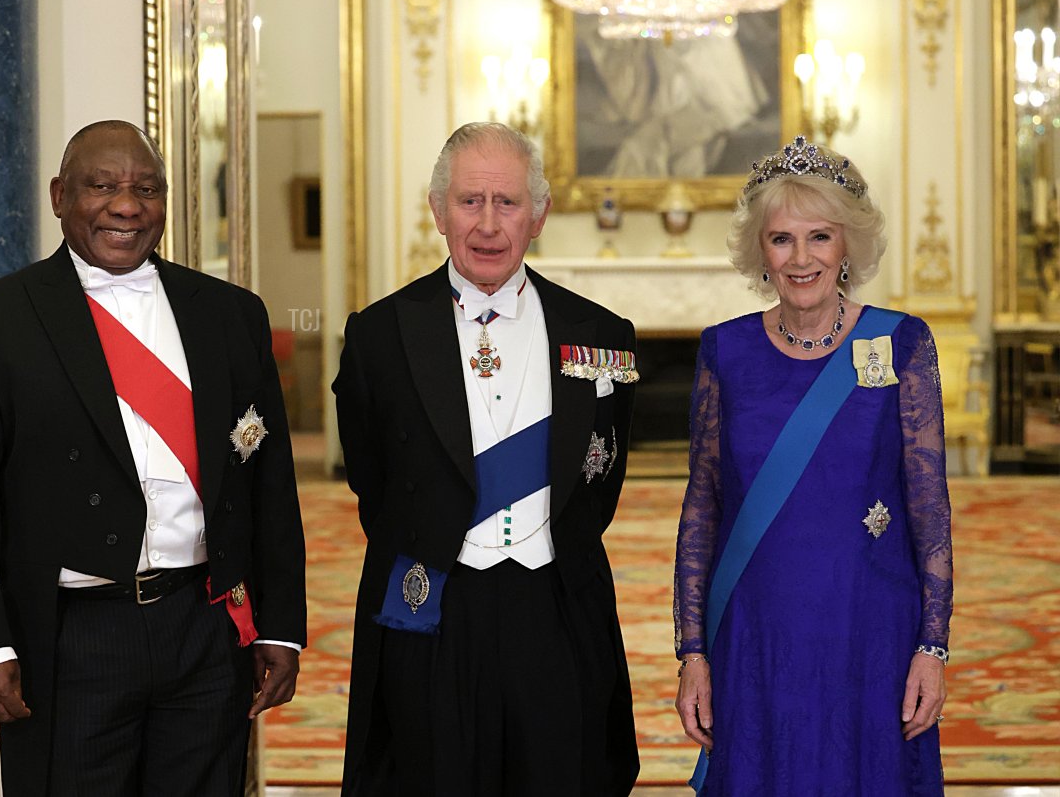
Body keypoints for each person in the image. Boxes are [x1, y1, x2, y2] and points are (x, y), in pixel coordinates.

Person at [0, 120, 307, 796]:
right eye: (102, 186)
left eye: (146, 188)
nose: (126, 205)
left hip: (205, 624)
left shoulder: (229, 313)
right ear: (59, 196)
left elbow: (268, 488)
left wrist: (280, 626)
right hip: (73, 637)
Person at [333, 122, 640, 796]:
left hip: (554, 603)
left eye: (508, 202)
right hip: (434, 606)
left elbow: (600, 480)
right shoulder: (380, 335)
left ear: (539, 214)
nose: (489, 224)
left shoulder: (601, 336)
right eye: (470, 201)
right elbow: (373, 478)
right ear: (438, 209)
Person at [672, 135, 953, 795]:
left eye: (820, 237)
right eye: (781, 239)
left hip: (870, 634)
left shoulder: (900, 343)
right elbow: (702, 507)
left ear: (848, 244)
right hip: (757, 634)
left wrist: (931, 647)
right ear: (759, 251)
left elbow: (930, 509)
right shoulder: (725, 351)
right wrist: (692, 652)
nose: (801, 259)